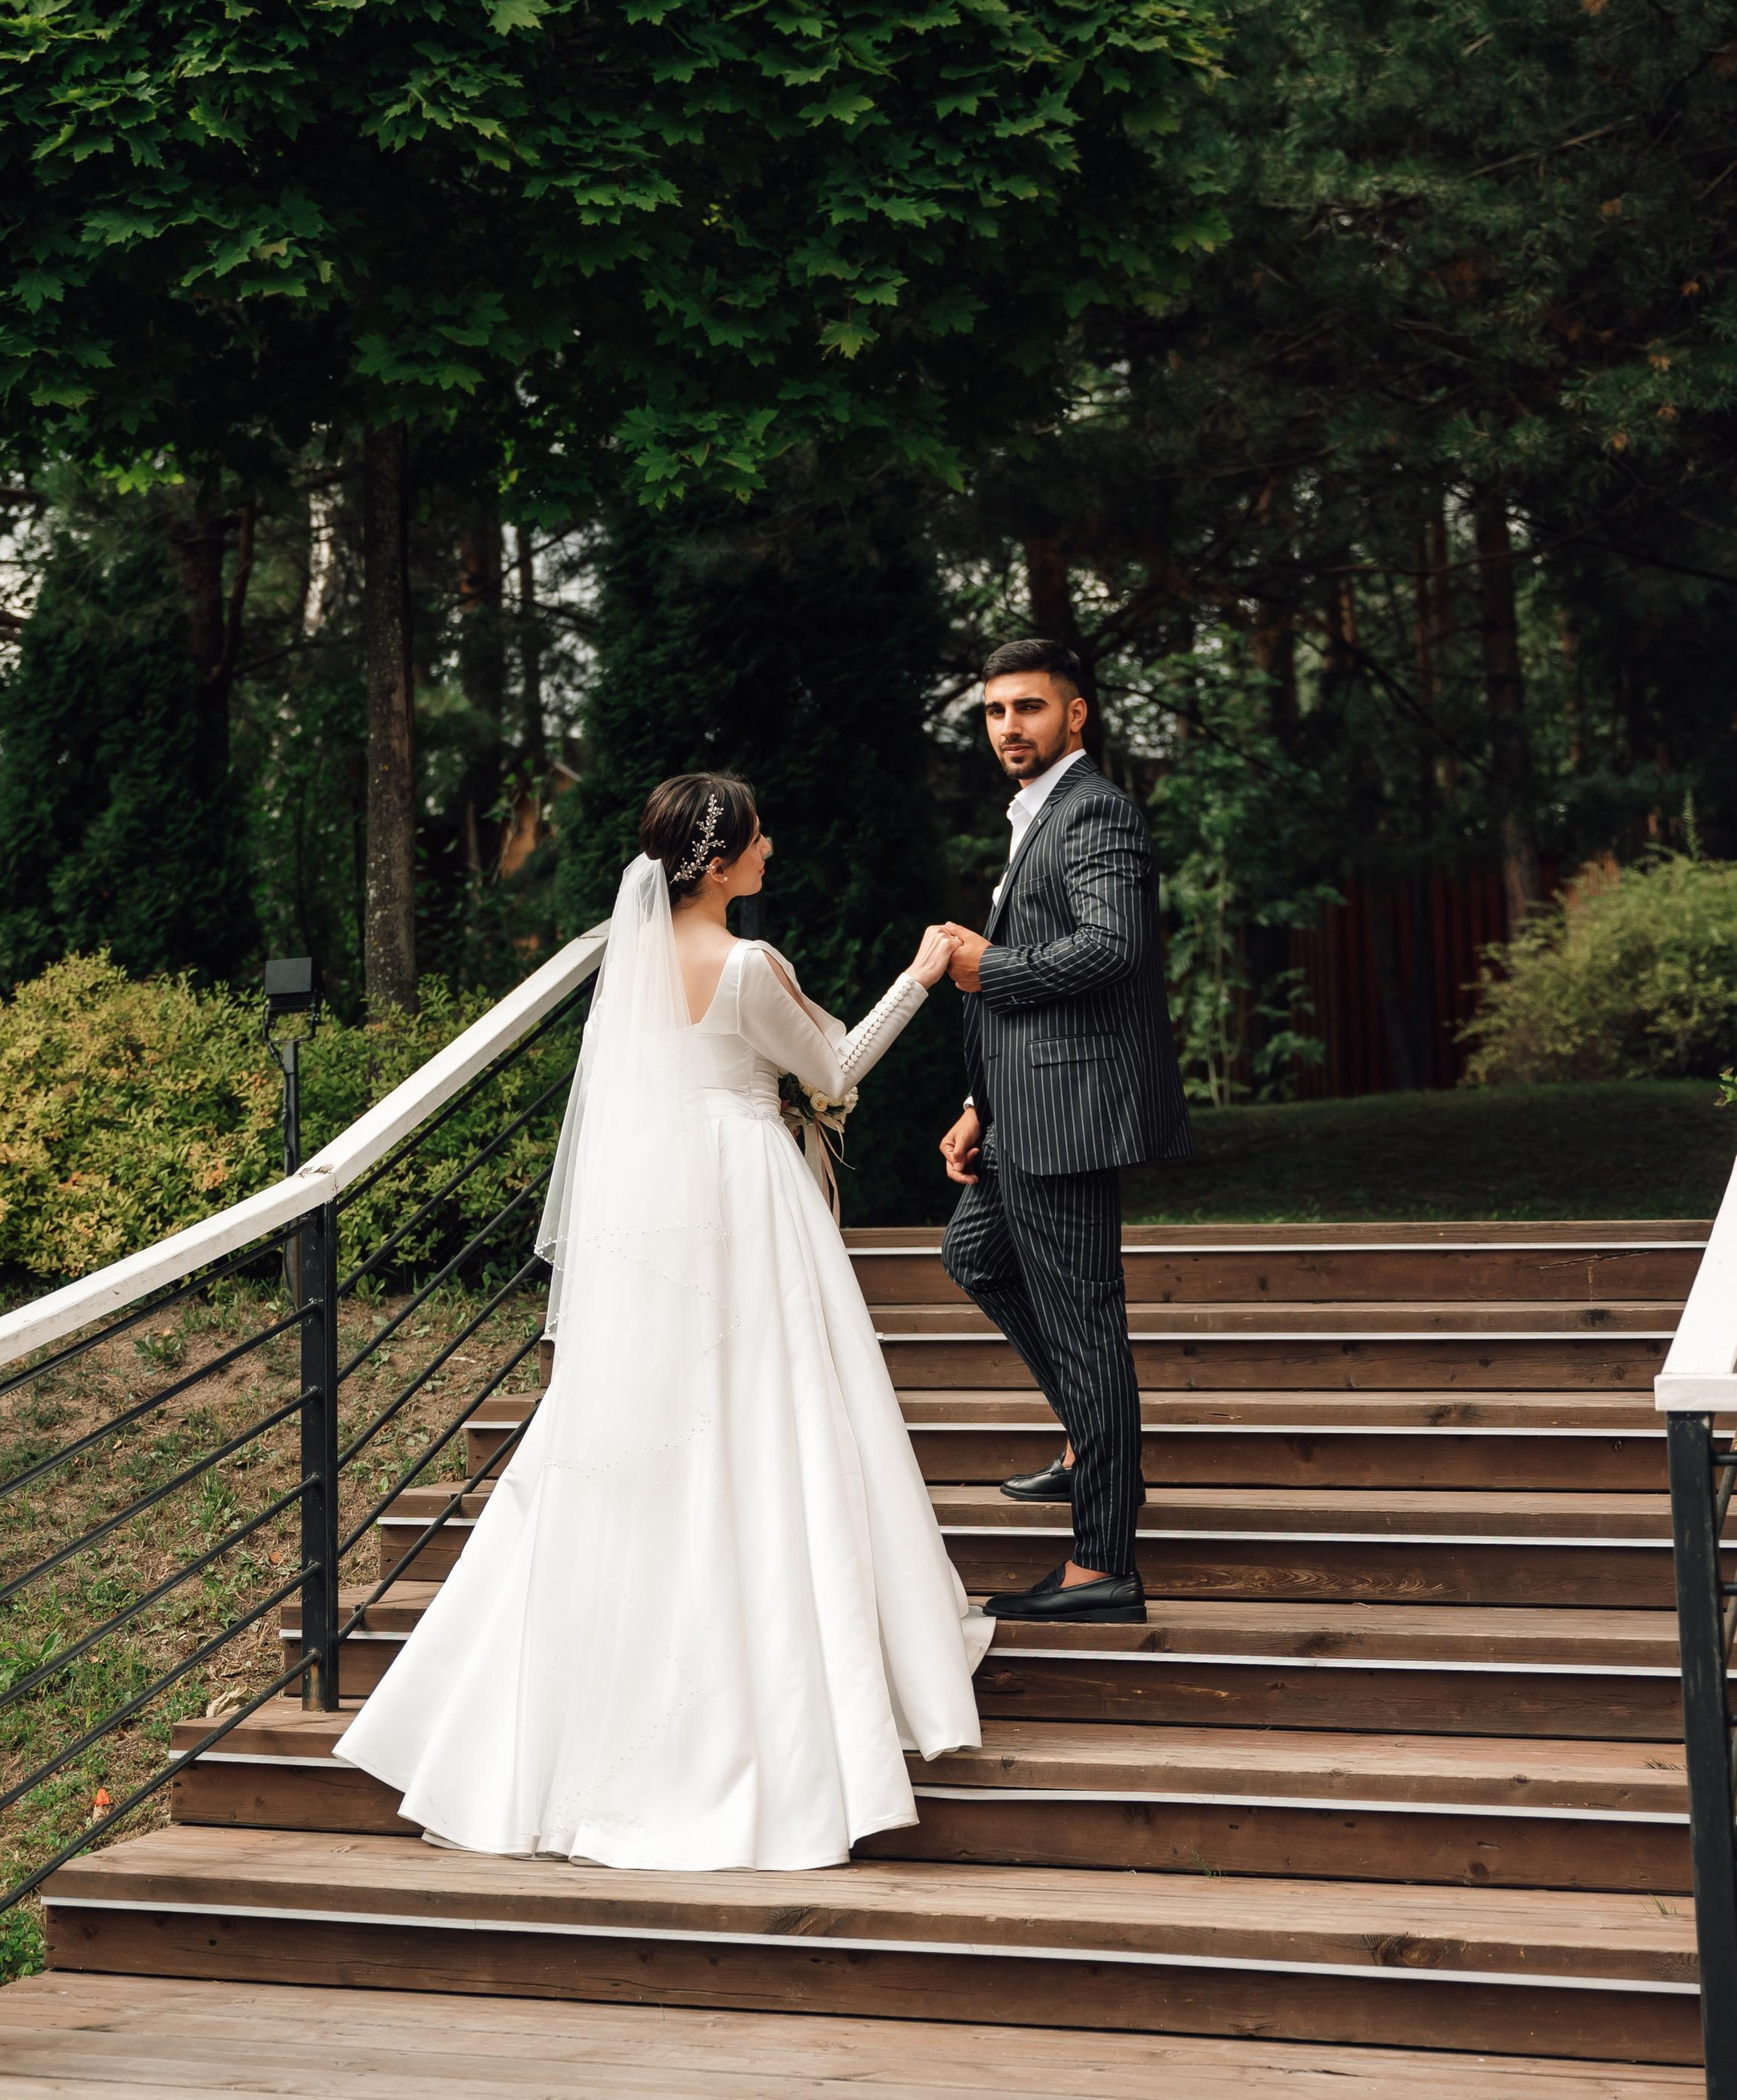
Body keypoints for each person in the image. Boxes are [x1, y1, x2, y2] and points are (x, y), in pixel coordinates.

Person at [334, 770, 992, 1869]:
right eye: (759, 835)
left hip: (661, 1224)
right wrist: (921, 976)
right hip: (747, 1201)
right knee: (773, 1424)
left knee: (668, 1441)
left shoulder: (636, 967)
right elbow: (833, 1069)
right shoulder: (746, 964)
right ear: (722, 859)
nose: (772, 845)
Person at [934, 639, 1192, 1624]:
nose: (1009, 727)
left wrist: (984, 967)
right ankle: (1092, 1436)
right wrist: (978, 1105)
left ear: (1075, 714)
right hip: (1022, 1110)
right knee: (973, 1256)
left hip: (1071, 1118)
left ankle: (1101, 1564)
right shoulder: (1036, 816)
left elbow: (1109, 949)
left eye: (1029, 708)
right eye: (996, 711)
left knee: (1088, 1330)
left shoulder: (1094, 812)